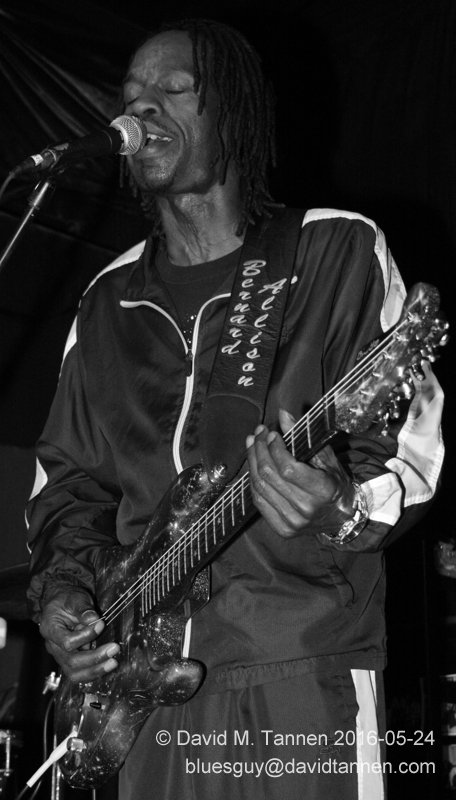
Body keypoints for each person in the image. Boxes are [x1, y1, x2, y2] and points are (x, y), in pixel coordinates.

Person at [26, 18, 444, 800]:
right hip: (141, 700)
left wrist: (340, 510)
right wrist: (65, 600)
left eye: (174, 90)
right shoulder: (108, 301)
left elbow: (410, 452)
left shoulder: (334, 250)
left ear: (235, 115)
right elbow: (69, 488)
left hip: (299, 668)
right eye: (131, 95)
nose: (141, 109)